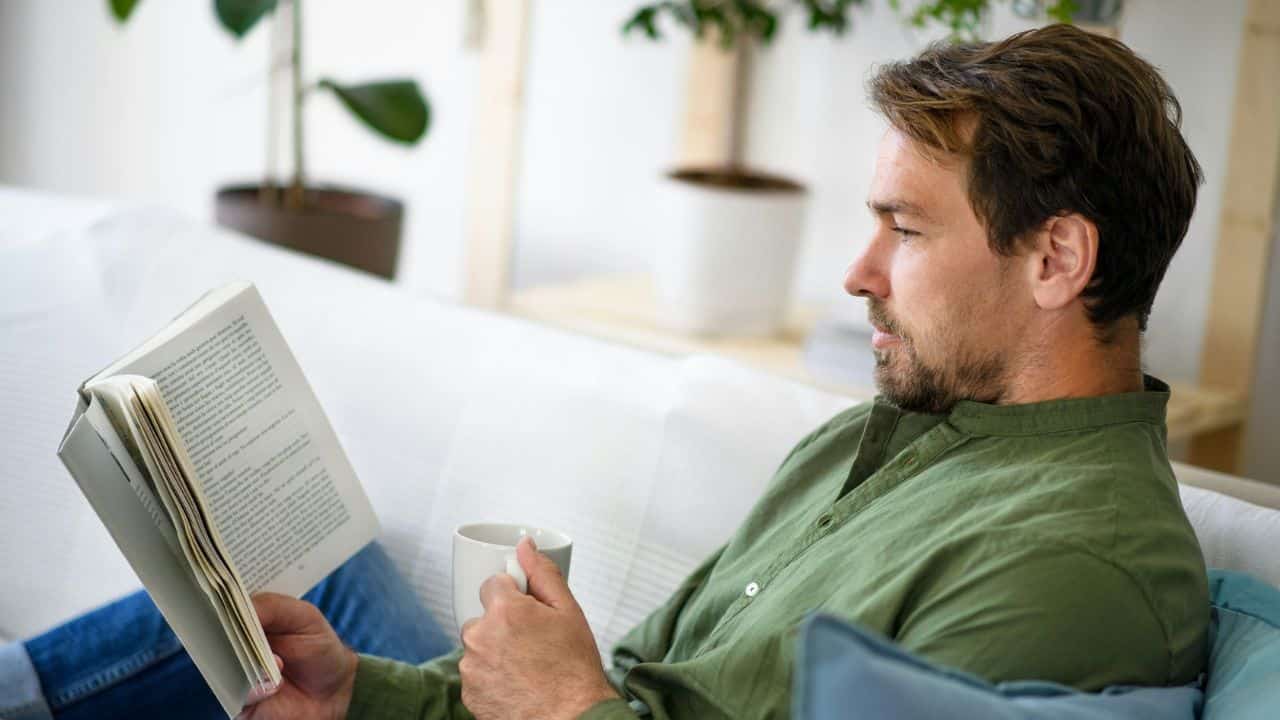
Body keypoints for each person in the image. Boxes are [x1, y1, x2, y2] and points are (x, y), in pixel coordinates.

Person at [1, 22, 1209, 720]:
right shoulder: (887, 434)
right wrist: (360, 699)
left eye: (902, 228)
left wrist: (569, 704)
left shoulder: (1072, 572)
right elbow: (654, 690)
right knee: (299, 620)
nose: (854, 273)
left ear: (1055, 256)